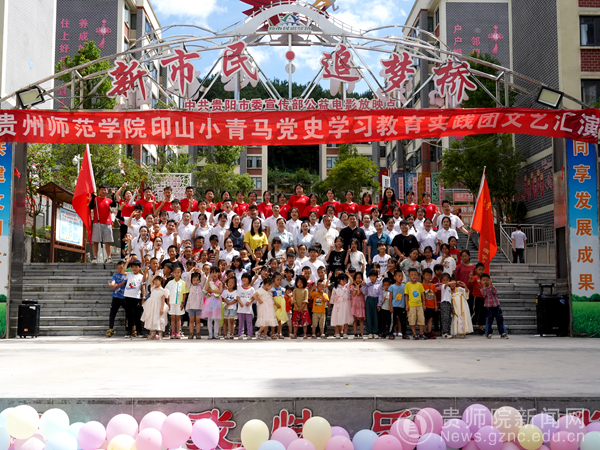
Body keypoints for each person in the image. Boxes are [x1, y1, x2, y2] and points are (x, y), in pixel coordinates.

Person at [89, 184, 117, 264]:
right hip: (97, 222)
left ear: (107, 191)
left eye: (105, 190)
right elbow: (91, 206)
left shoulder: (109, 200)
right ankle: (95, 257)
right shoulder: (96, 199)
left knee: (107, 241)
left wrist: (113, 195)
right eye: (102, 190)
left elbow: (114, 205)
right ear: (99, 191)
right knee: (96, 241)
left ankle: (109, 257)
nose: (104, 191)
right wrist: (93, 197)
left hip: (107, 223)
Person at [480, 273, 508, 339]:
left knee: (500, 319)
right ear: (481, 281)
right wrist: (484, 287)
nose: (485, 281)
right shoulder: (482, 289)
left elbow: (495, 292)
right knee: (489, 321)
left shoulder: (492, 287)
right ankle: (488, 333)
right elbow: (484, 295)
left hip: (496, 306)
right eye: (483, 280)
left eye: (487, 280)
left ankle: (503, 333)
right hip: (488, 307)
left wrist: (491, 286)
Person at [141, 274, 169, 340]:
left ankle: (160, 334)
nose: (155, 282)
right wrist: (156, 274)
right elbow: (151, 280)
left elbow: (163, 300)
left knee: (160, 319)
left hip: (159, 306)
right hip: (152, 306)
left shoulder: (163, 291)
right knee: (153, 318)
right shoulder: (153, 288)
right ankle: (153, 334)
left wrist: (162, 309)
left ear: (160, 280)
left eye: (157, 281)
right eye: (154, 281)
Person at [165, 266, 188, 339]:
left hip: (179, 303)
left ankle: (178, 332)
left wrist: (183, 303)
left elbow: (184, 294)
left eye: (178, 272)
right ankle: (173, 332)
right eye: (175, 272)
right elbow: (167, 293)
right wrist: (168, 302)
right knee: (172, 318)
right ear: (173, 273)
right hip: (171, 302)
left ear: (181, 273)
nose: (177, 274)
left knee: (178, 318)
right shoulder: (170, 283)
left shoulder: (183, 283)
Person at [106, 260, 127, 337]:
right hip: (116, 296)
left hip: (125, 297)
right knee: (112, 313)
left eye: (121, 268)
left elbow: (124, 282)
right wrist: (112, 284)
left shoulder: (127, 275)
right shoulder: (115, 275)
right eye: (118, 268)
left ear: (124, 267)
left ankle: (130, 328)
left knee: (129, 313)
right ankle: (110, 328)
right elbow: (113, 282)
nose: (119, 270)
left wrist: (116, 285)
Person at [123, 259, 144, 338]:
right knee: (129, 314)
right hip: (128, 296)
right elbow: (122, 271)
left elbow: (143, 286)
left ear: (139, 267)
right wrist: (127, 262)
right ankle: (129, 331)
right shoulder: (129, 274)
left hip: (137, 297)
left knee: (137, 315)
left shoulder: (141, 276)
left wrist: (143, 297)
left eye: (136, 267)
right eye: (133, 267)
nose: (134, 268)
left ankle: (139, 331)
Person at [202, 266, 223, 340]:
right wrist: (208, 280)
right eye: (212, 272)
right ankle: (210, 334)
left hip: (217, 300)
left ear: (219, 273)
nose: (214, 274)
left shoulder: (220, 282)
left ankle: (216, 333)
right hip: (210, 300)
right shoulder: (210, 282)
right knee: (210, 318)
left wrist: (211, 291)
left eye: (216, 272)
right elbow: (206, 288)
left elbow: (220, 291)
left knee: (216, 318)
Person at [404, 267, 425, 340]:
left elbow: (422, 294)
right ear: (409, 276)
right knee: (412, 319)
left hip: (419, 305)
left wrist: (423, 304)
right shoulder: (407, 285)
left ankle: (421, 333)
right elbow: (406, 295)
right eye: (412, 275)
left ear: (418, 275)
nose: (414, 276)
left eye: (415, 274)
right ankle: (414, 333)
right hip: (411, 305)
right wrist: (407, 305)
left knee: (421, 319)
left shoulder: (419, 284)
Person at [330, 272, 353, 338]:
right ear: (338, 280)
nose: (344, 281)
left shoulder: (347, 286)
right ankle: (337, 333)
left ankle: (345, 333)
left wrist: (348, 275)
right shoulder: (335, 288)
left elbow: (351, 282)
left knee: (346, 318)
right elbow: (332, 297)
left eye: (345, 280)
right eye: (343, 280)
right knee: (336, 318)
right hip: (337, 306)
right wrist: (331, 303)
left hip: (346, 305)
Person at [362, 269, 382, 339]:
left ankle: (375, 331)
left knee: (375, 316)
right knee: (369, 316)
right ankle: (370, 332)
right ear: (369, 277)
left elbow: (380, 295)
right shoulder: (368, 285)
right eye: (371, 276)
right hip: (369, 300)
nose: (372, 278)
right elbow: (364, 292)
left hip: (376, 300)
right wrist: (364, 286)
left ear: (377, 277)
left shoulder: (379, 285)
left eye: (374, 276)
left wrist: (379, 304)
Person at [468, 262, 487, 335]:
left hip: (483, 297)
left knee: (482, 313)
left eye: (482, 269)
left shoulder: (484, 278)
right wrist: (470, 278)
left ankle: (480, 328)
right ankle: (469, 327)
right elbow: (469, 286)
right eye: (479, 269)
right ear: (476, 270)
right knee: (475, 312)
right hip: (476, 297)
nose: (481, 271)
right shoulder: (474, 277)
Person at [185, 270, 204, 339]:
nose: (195, 281)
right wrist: (191, 270)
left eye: (197, 280)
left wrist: (200, 271)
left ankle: (198, 334)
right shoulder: (190, 286)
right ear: (191, 280)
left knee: (198, 321)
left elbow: (204, 278)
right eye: (194, 280)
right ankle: (191, 333)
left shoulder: (201, 286)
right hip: (191, 306)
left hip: (198, 307)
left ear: (199, 280)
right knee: (191, 321)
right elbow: (187, 279)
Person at [389, 270, 408, 339]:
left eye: (401, 276)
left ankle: (404, 334)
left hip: (402, 306)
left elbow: (406, 296)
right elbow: (390, 297)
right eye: (399, 276)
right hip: (394, 306)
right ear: (394, 277)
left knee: (403, 321)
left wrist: (406, 305)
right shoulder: (392, 287)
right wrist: (391, 306)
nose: (401, 278)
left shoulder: (404, 286)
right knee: (393, 321)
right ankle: (391, 333)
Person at [237, 273, 255, 339]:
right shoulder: (239, 288)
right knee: (241, 322)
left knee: (249, 322)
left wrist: (249, 301)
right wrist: (240, 302)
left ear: (249, 279)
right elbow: (237, 297)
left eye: (246, 278)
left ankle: (249, 334)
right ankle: (240, 334)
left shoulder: (252, 289)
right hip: (241, 308)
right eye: (243, 278)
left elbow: (253, 297)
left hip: (248, 308)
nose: (244, 279)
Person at [421, 268, 438, 339]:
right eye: (427, 275)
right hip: (425, 305)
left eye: (430, 275)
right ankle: (424, 332)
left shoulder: (433, 285)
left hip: (432, 305)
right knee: (424, 319)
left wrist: (436, 305)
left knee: (430, 319)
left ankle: (429, 331)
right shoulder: (422, 285)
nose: (428, 277)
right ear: (423, 276)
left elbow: (434, 295)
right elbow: (422, 296)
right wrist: (423, 304)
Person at [272, 274, 288, 339]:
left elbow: (283, 296)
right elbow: (271, 298)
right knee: (274, 319)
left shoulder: (282, 289)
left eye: (280, 280)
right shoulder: (272, 289)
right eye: (277, 280)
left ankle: (279, 333)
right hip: (275, 305)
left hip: (281, 306)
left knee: (280, 320)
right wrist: (276, 303)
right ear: (274, 280)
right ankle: (273, 333)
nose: (279, 281)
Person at [438, 272, 453, 338]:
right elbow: (447, 284)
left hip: (448, 303)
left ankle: (447, 331)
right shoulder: (443, 286)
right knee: (444, 318)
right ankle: (444, 332)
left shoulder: (449, 288)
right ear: (441, 280)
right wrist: (455, 282)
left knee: (448, 318)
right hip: (444, 303)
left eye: (447, 280)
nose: (445, 281)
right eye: (444, 280)